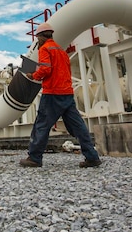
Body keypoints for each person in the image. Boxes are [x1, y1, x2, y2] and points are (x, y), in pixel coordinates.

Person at [19, 22, 102, 168]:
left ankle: (34, 158)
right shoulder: (61, 51)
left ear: (39, 37)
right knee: (78, 126)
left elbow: (46, 70)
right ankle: (92, 157)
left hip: (52, 93)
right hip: (67, 93)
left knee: (42, 125)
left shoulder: (45, 49)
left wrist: (33, 75)